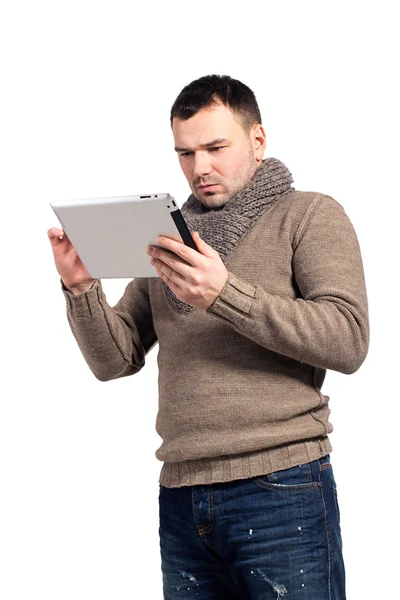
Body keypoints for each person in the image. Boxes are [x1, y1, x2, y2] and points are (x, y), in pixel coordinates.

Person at [48, 74, 369, 599]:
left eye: (216, 147)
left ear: (258, 140)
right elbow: (115, 359)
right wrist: (81, 289)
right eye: (185, 152)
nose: (200, 168)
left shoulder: (310, 214)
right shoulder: (168, 237)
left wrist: (225, 294)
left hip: (281, 487)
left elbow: (349, 339)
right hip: (181, 495)